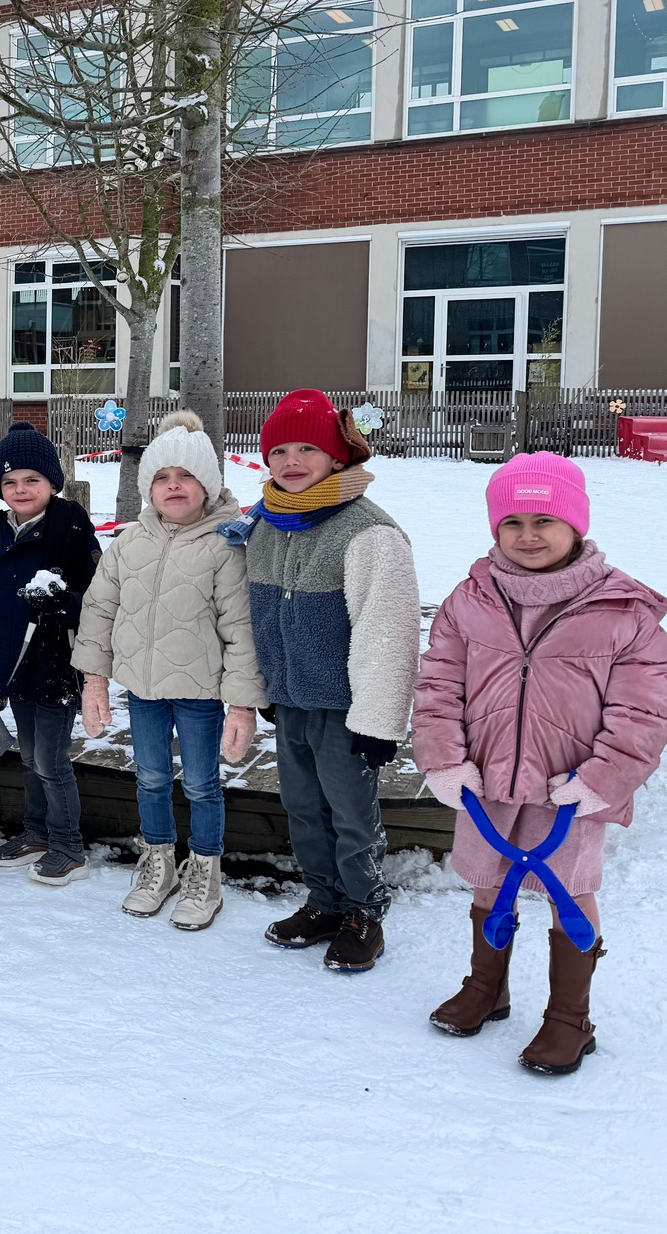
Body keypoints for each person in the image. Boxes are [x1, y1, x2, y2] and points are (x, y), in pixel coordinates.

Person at [413, 453, 667, 1074]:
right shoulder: (470, 599)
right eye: (512, 522)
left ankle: (569, 1018)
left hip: (568, 790)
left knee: (568, 891)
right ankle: (486, 988)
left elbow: (643, 711)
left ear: (575, 524)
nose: (527, 536)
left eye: (544, 521)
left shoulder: (623, 611)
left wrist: (600, 779)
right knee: (486, 880)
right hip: (485, 780)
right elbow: (438, 684)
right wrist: (444, 760)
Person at [234, 389, 419, 974]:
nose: (291, 460)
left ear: (337, 456)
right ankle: (323, 901)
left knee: (349, 814)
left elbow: (387, 632)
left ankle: (363, 912)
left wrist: (378, 721)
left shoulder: (368, 532)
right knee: (302, 807)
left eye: (307, 448)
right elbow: (256, 613)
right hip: (291, 700)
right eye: (279, 450)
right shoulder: (266, 523)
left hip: (346, 707)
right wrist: (267, 683)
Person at [74, 412, 265, 930]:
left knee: (202, 784)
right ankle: (158, 862)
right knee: (152, 778)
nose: (173, 485)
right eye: (162, 476)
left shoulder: (225, 545)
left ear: (208, 485)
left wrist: (242, 705)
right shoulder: (129, 542)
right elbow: (99, 610)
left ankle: (205, 870)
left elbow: (240, 627)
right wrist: (94, 679)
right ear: (148, 487)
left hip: (201, 692)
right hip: (143, 689)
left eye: (185, 475)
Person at [0, 422, 100, 885]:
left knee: (51, 760)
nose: (20, 489)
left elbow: (99, 599)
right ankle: (36, 832)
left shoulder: (71, 528)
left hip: (55, 664)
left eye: (32, 479)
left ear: (52, 483)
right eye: (9, 481)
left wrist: (64, 601)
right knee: (28, 757)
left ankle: (68, 845)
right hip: (12, 663)